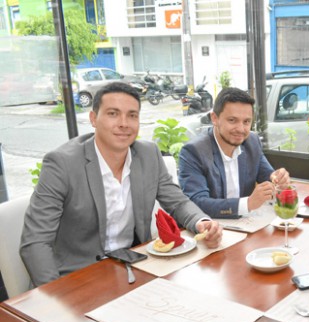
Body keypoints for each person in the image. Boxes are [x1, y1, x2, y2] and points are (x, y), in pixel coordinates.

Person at [20, 81, 222, 288]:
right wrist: (54, 294)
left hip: (133, 267)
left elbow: (177, 202)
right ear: (93, 118)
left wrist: (201, 222)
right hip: (76, 276)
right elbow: (35, 241)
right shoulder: (62, 163)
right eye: (113, 114)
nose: (124, 123)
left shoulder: (148, 154)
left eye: (132, 115)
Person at [178, 87, 289, 218]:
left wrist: (278, 179)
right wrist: (247, 204)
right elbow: (197, 203)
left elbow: (268, 177)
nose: (241, 129)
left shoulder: (251, 141)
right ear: (214, 118)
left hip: (247, 223)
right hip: (211, 225)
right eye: (232, 120)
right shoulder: (193, 152)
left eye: (246, 121)